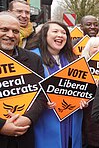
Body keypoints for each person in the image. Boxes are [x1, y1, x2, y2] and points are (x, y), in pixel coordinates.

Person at [26, 21, 87, 148]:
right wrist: (42, 101)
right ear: (45, 35)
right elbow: (26, 91)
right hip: (46, 119)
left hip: (72, 119)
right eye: (55, 31)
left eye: (64, 33)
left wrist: (83, 100)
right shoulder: (32, 58)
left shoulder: (73, 59)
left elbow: (82, 89)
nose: (60, 35)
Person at [0, 11, 47, 148]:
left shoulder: (33, 59)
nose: (10, 35)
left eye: (15, 31)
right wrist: (2, 125)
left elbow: (40, 95)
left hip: (24, 136)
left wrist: (27, 118)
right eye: (4, 29)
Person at [80, 37, 99, 148]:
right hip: (87, 111)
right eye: (95, 47)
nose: (98, 50)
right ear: (88, 49)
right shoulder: (81, 66)